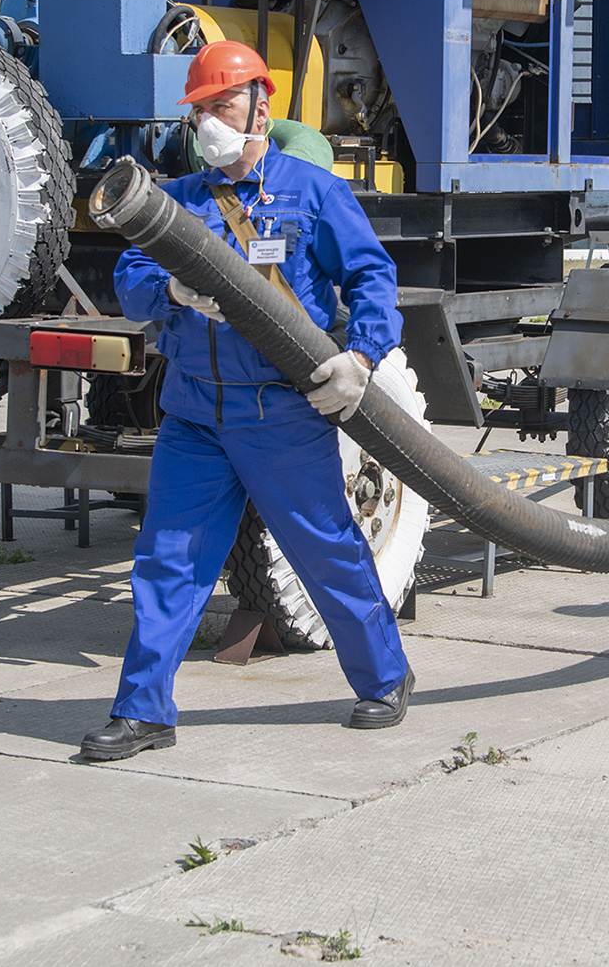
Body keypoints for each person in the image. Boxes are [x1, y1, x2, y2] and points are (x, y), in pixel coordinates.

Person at [81, 40, 413, 760]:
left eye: (221, 105)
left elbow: (373, 281)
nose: (208, 121)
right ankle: (144, 711)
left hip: (281, 415)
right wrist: (170, 288)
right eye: (198, 109)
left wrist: (359, 358)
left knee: (324, 550)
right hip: (195, 413)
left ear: (263, 106)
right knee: (168, 560)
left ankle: (384, 680)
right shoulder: (178, 203)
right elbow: (131, 280)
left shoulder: (314, 193)